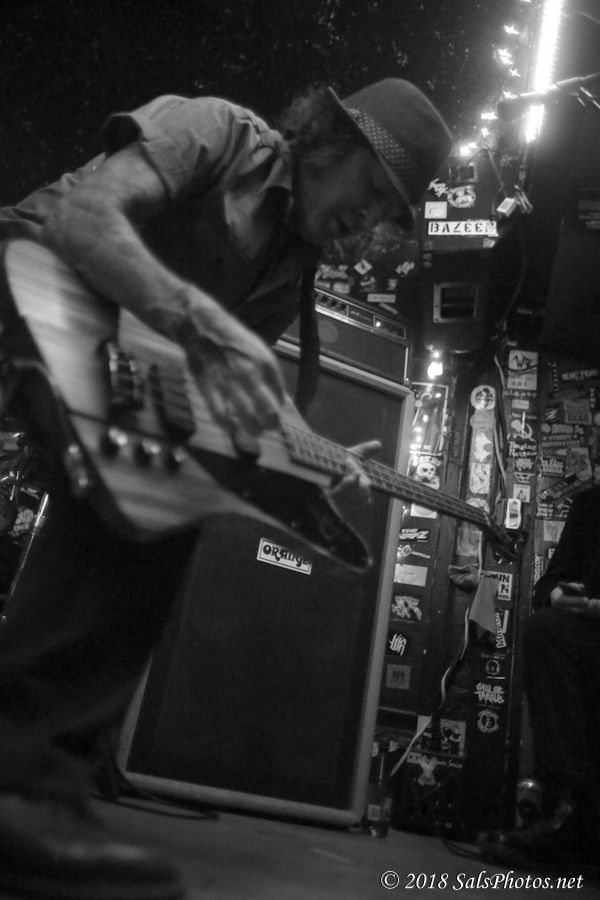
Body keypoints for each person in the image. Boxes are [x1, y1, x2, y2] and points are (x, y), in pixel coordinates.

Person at [0, 78, 452, 900]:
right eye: (372, 189)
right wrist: (198, 323)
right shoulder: (217, 133)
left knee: (170, 489)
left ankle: (35, 782)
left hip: (102, 359)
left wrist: (301, 456)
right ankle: (23, 785)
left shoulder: (291, 266)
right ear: (330, 138)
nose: (369, 220)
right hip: (27, 276)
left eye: (389, 213)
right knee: (148, 484)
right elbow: (79, 218)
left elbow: (204, 391)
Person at [479, 485, 600, 872]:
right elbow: (547, 585)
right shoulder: (592, 504)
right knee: (545, 629)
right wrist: (561, 598)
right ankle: (567, 813)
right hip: (590, 636)